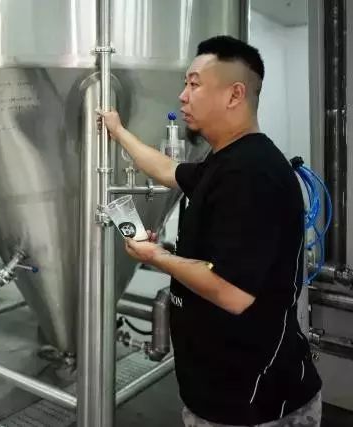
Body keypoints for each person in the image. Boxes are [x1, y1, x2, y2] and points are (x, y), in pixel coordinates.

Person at [100, 36, 321, 426]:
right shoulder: (224, 162)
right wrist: (118, 132)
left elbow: (233, 293)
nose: (183, 95)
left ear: (235, 94)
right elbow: (168, 170)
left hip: (256, 405)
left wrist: (157, 256)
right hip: (218, 392)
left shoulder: (253, 173)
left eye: (194, 84)